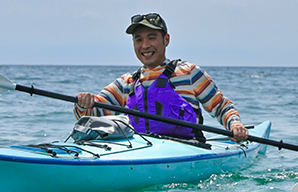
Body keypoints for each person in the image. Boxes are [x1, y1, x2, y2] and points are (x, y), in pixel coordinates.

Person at [75, 13, 248, 142]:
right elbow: (93, 111)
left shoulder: (189, 73)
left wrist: (235, 126)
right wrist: (84, 102)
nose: (145, 45)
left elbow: (221, 107)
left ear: (166, 40)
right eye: (138, 40)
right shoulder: (127, 83)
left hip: (187, 149)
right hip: (142, 153)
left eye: (152, 38)